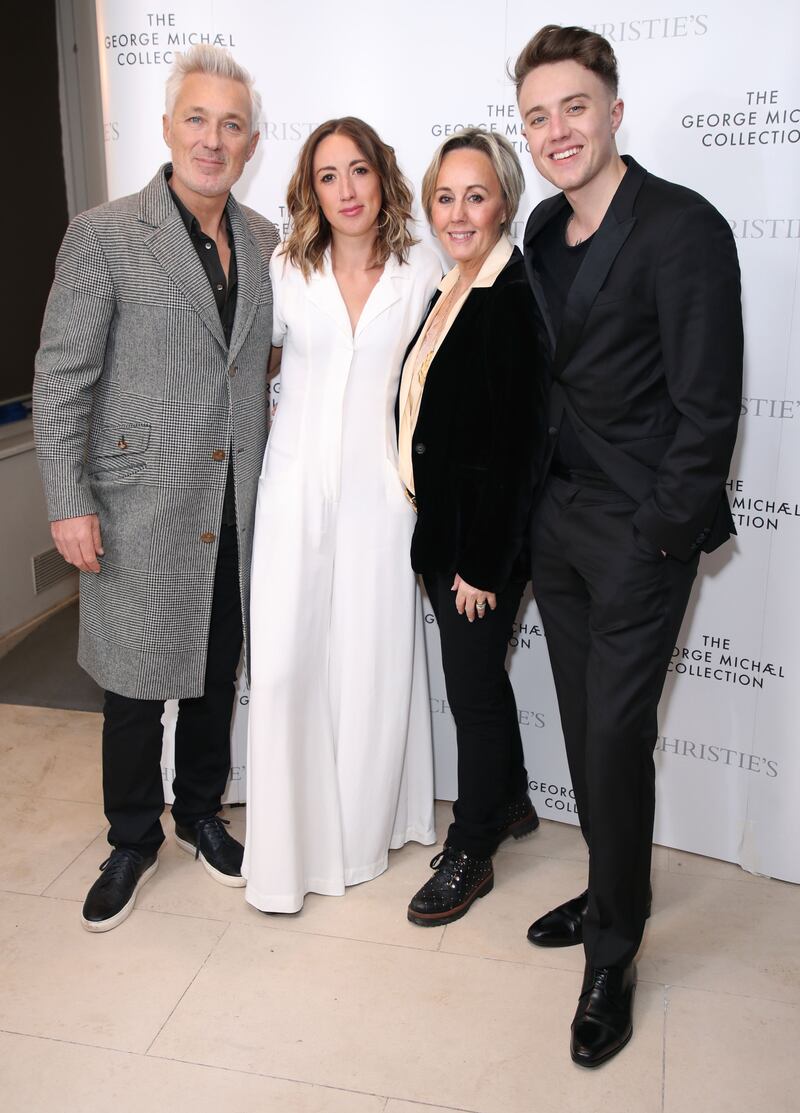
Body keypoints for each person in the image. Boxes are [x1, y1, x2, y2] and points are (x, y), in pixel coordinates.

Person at [513, 25, 743, 1066]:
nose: (554, 131)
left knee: (611, 738)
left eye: (571, 107)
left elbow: (707, 410)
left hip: (638, 536)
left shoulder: (681, 227)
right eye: (534, 117)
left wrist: (659, 538)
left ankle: (612, 948)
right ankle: (612, 886)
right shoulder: (534, 232)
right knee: (582, 728)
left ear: (613, 110)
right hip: (556, 529)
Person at [33, 45, 279, 932]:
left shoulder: (262, 238)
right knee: (135, 687)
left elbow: (250, 364)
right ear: (169, 127)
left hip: (234, 504)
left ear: (251, 142)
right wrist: (68, 499)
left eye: (232, 125)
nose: (213, 140)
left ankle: (202, 811)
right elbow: (61, 376)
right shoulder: (102, 234)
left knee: (215, 670)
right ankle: (132, 836)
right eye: (198, 120)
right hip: (137, 501)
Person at [242, 118, 441, 913]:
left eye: (358, 171)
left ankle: (361, 837)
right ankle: (287, 841)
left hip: (383, 494)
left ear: (380, 177)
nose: (346, 190)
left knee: (370, 660)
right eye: (328, 176)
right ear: (311, 190)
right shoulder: (285, 267)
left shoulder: (423, 267)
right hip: (290, 489)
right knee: (286, 665)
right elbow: (252, 370)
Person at [402, 129, 547, 927]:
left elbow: (517, 444)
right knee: (482, 683)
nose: (459, 212)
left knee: (473, 696)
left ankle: (474, 843)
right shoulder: (453, 285)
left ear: (504, 203)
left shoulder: (509, 295)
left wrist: (484, 565)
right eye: (445, 196)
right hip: (446, 535)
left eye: (476, 195)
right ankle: (516, 800)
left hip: (477, 549)